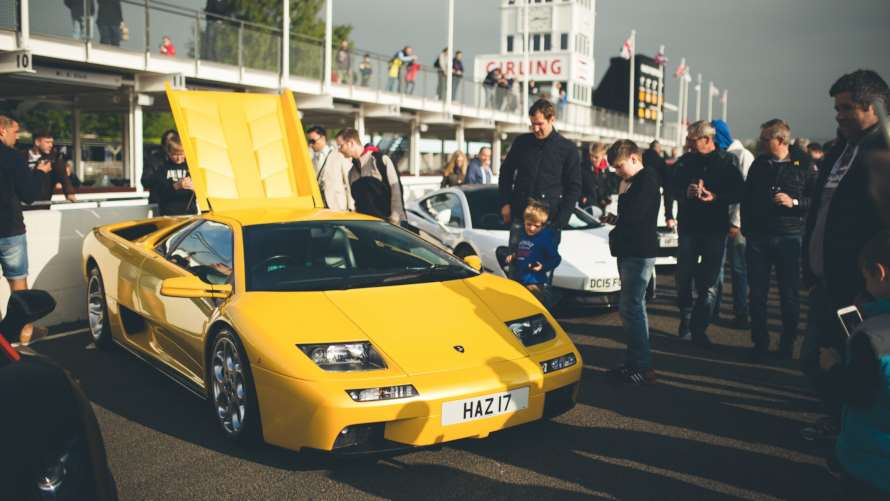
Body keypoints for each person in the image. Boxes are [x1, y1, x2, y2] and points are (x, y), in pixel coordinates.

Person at [801, 69, 889, 441]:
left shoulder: (883, 152)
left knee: (851, 366)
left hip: (860, 289)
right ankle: (840, 422)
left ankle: (847, 433)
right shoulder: (839, 149)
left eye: (846, 108)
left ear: (872, 107)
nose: (837, 115)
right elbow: (822, 211)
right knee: (815, 360)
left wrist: (871, 287)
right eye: (836, 108)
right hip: (826, 280)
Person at [818, 231, 890, 499]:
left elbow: (857, 393)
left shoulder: (871, 337)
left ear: (879, 272)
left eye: (866, 278)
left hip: (872, 463)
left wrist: (834, 366)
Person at [741, 119, 817, 362]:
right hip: (759, 238)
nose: (761, 143)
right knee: (758, 295)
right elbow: (747, 197)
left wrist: (793, 202)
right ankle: (760, 343)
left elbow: (816, 201)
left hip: (790, 237)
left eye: (765, 139)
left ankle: (786, 345)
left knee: (789, 295)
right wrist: (747, 229)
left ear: (781, 140)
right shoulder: (759, 163)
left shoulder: (804, 163)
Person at [671, 120, 745, 348]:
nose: (689, 145)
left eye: (692, 141)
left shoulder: (727, 161)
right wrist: (686, 191)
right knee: (684, 278)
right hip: (688, 228)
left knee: (710, 283)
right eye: (688, 141)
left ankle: (699, 327)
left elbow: (739, 191)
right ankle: (685, 319)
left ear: (707, 139)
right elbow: (671, 188)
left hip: (714, 228)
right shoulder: (685, 161)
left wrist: (716, 197)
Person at [603, 140, 660, 385]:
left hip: (637, 252)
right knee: (633, 309)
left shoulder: (645, 181)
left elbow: (636, 217)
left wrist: (623, 195)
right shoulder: (639, 181)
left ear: (634, 158)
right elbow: (633, 217)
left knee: (631, 308)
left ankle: (640, 366)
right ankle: (636, 362)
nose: (618, 172)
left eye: (619, 166)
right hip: (632, 251)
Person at [498, 99, 581, 250]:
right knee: (516, 267)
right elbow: (506, 172)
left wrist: (560, 221)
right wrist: (505, 203)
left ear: (552, 120)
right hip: (521, 217)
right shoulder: (521, 142)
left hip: (550, 221)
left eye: (539, 124)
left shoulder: (568, 149)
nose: (535, 129)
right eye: (532, 124)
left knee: (542, 268)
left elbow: (574, 187)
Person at [0, 116, 52, 345]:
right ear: (2, 131)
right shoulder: (13, 157)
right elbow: (30, 196)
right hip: (10, 230)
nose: (18, 136)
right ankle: (24, 338)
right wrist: (40, 172)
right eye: (15, 131)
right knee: (19, 287)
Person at [711, 119, 754, 328]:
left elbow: (744, 192)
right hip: (720, 219)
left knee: (738, 269)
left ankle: (741, 312)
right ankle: (714, 309)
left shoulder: (743, 155)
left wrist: (736, 222)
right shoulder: (722, 155)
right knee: (717, 267)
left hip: (737, 223)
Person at [336, 128, 406, 226]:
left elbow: (396, 193)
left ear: (351, 143)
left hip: (390, 228)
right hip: (368, 229)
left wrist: (395, 223)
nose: (339, 150)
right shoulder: (351, 173)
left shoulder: (381, 161)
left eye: (340, 146)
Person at [504, 200, 561, 303]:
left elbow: (556, 259)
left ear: (542, 226)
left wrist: (543, 266)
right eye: (528, 224)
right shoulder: (522, 235)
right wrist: (514, 256)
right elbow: (523, 252)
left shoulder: (545, 239)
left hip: (535, 283)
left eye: (536, 226)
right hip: (520, 280)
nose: (531, 228)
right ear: (524, 221)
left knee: (534, 308)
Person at [144, 137, 196, 216]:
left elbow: (202, 194)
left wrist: (196, 189)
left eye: (181, 154)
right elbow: (159, 195)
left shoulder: (192, 168)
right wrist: (175, 186)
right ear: (168, 153)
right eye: (175, 155)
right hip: (169, 214)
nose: (178, 158)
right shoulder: (162, 169)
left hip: (190, 214)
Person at [307, 126, 353, 212]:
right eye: (309, 141)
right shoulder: (311, 160)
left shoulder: (339, 155)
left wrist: (351, 207)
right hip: (320, 207)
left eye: (313, 141)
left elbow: (348, 181)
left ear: (323, 138)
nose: (310, 144)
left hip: (339, 206)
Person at [26, 129, 77, 202]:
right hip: (21, 204)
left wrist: (69, 193)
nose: (51, 145)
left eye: (51, 142)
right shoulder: (21, 156)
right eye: (47, 142)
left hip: (42, 204)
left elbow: (63, 176)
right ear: (37, 142)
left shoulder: (54, 158)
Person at [642, 140, 675, 230]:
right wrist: (669, 215)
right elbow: (668, 185)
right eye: (659, 147)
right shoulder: (660, 161)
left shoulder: (641, 158)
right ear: (656, 147)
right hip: (654, 191)